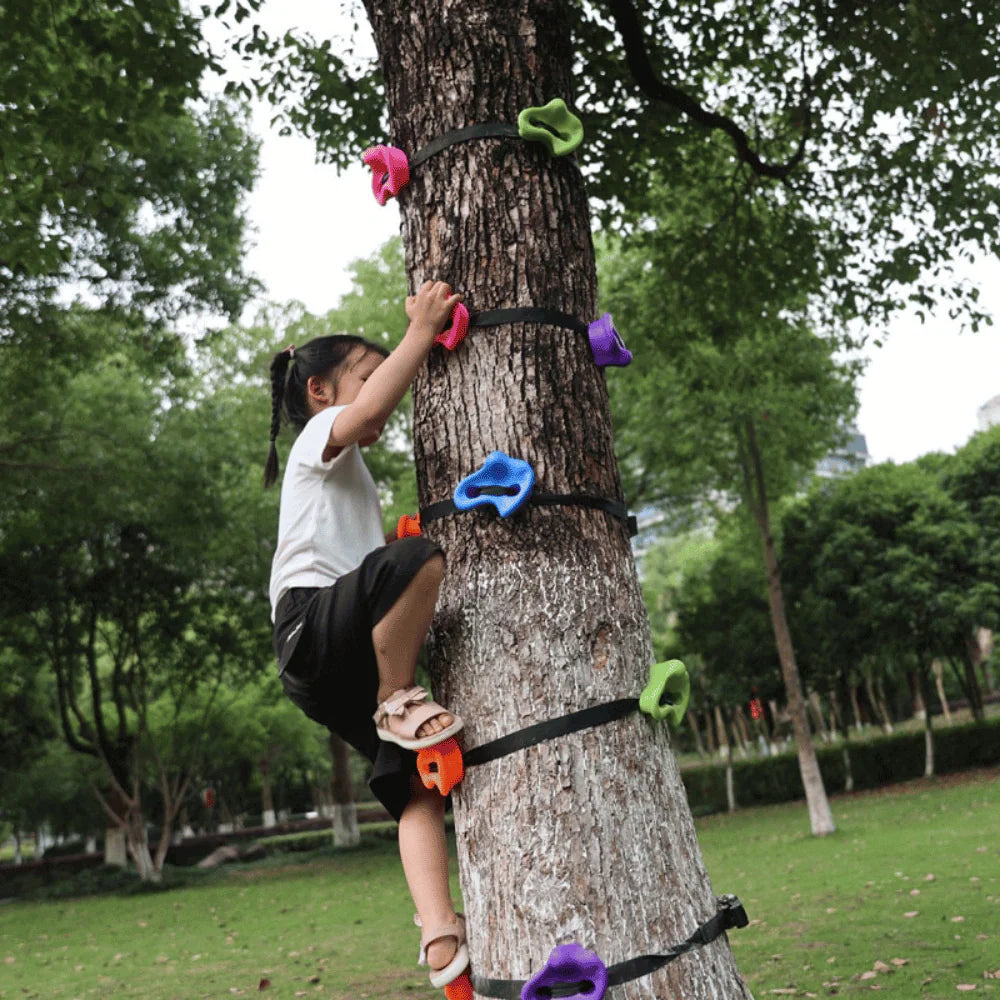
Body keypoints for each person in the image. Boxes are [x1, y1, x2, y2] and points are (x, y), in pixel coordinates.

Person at [265, 280, 469, 990]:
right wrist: (420, 331)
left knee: (415, 788)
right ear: (320, 390)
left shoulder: (343, 473)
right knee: (419, 559)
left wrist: (382, 550)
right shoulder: (318, 437)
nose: (378, 385)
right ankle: (396, 695)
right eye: (365, 372)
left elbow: (353, 557)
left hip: (324, 657)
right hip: (311, 626)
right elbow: (379, 404)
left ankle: (443, 941)